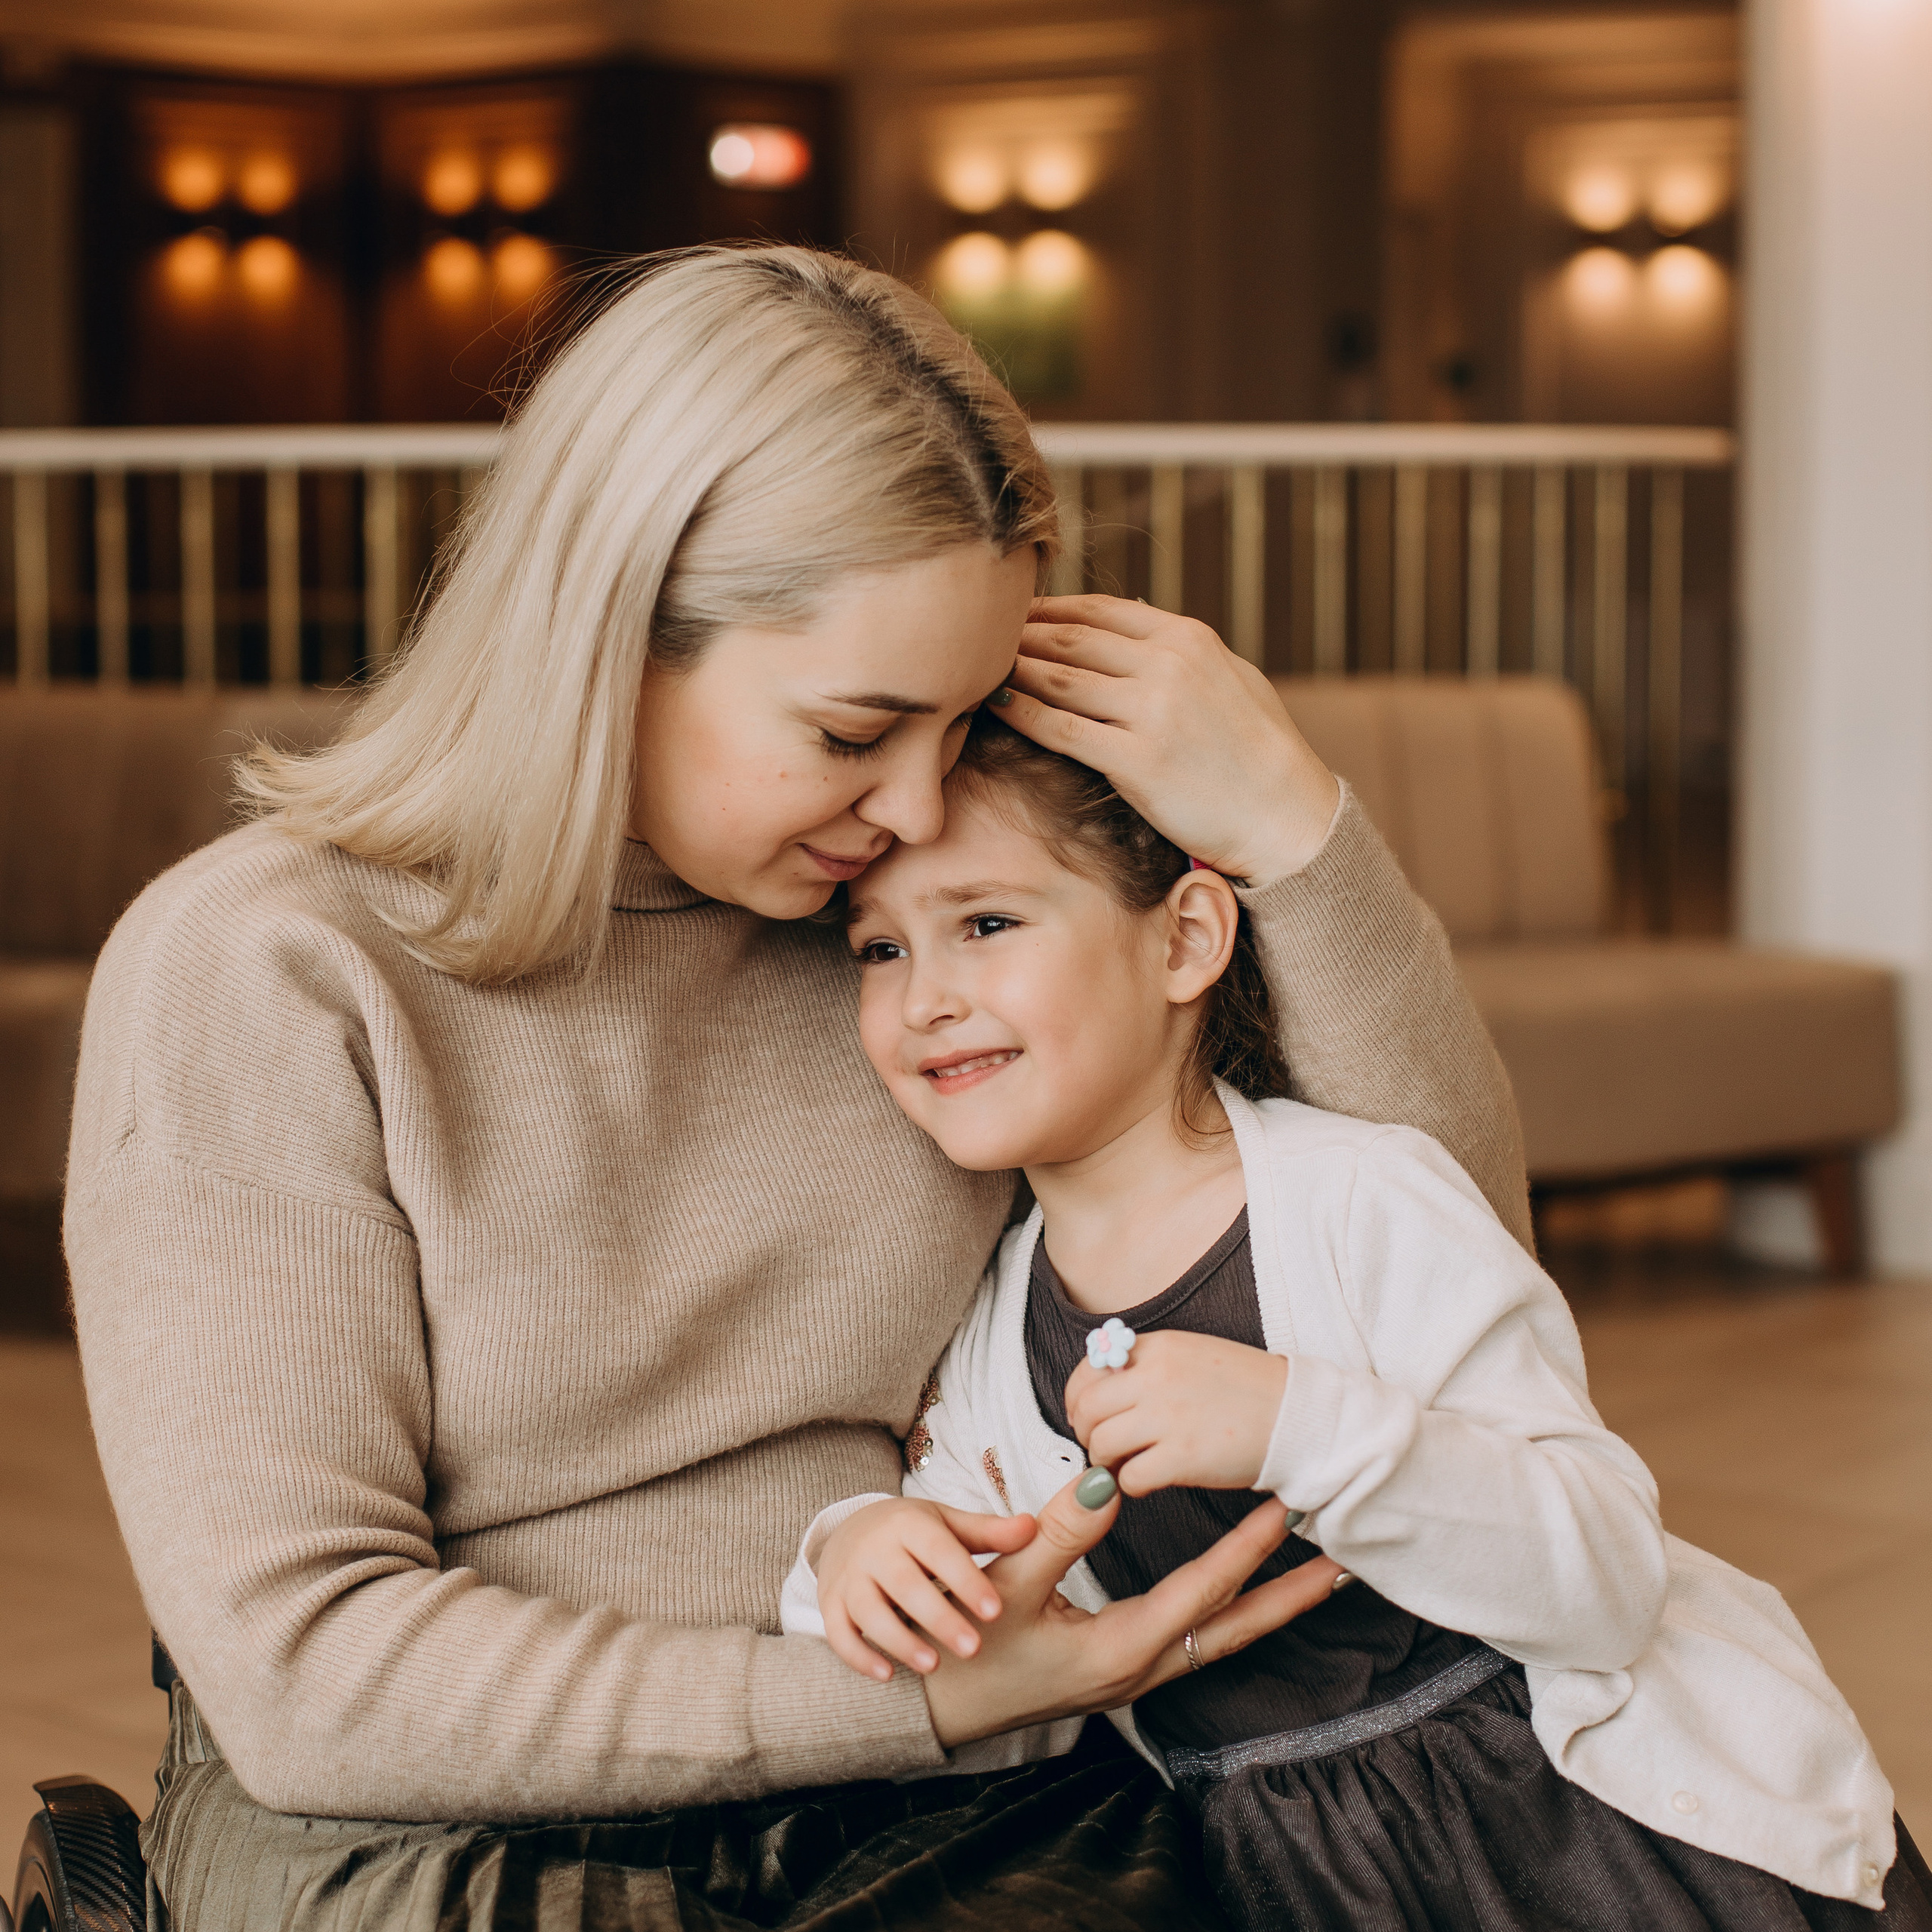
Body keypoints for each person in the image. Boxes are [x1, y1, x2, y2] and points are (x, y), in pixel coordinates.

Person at [66, 245, 1527, 1930]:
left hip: (924, 1758)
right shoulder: (261, 969)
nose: (915, 811)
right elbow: (310, 1679)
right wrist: (902, 1700)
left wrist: (1294, 829)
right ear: (608, 630)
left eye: (966, 721)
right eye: (853, 731)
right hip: (432, 1801)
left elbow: (1448, 1277)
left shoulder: (934, 939)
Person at [783, 715, 1932, 1931]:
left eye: (986, 924)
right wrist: (852, 1551)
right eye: (879, 949)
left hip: (1561, 1828)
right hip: (1284, 1874)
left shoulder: (1365, 1199)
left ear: (1184, 940)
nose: (924, 1000)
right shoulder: (994, 1329)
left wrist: (1303, 1425)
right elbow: (960, 1585)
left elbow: (1606, 1574)